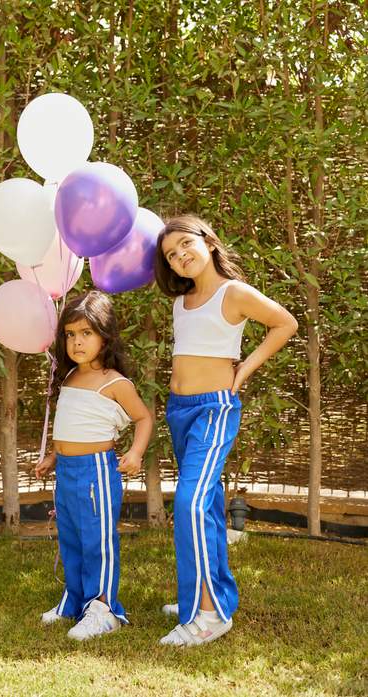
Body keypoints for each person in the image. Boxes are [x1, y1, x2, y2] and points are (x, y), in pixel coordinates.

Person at [154, 215, 298, 647]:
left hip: (213, 410)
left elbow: (285, 323)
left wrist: (244, 370)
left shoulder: (232, 292)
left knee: (190, 504)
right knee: (208, 506)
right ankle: (210, 596)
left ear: (209, 242)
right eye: (171, 254)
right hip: (180, 410)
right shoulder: (182, 302)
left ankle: (209, 615)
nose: (180, 255)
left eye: (185, 244)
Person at [35, 291, 153, 641]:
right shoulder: (69, 376)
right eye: (70, 334)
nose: (77, 341)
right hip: (66, 471)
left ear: (105, 336)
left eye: (86, 333)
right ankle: (74, 600)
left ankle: (103, 609)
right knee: (71, 538)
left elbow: (144, 418)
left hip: (95, 473)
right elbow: (72, 424)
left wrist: (135, 452)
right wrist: (53, 455)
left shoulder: (115, 382)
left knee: (96, 540)